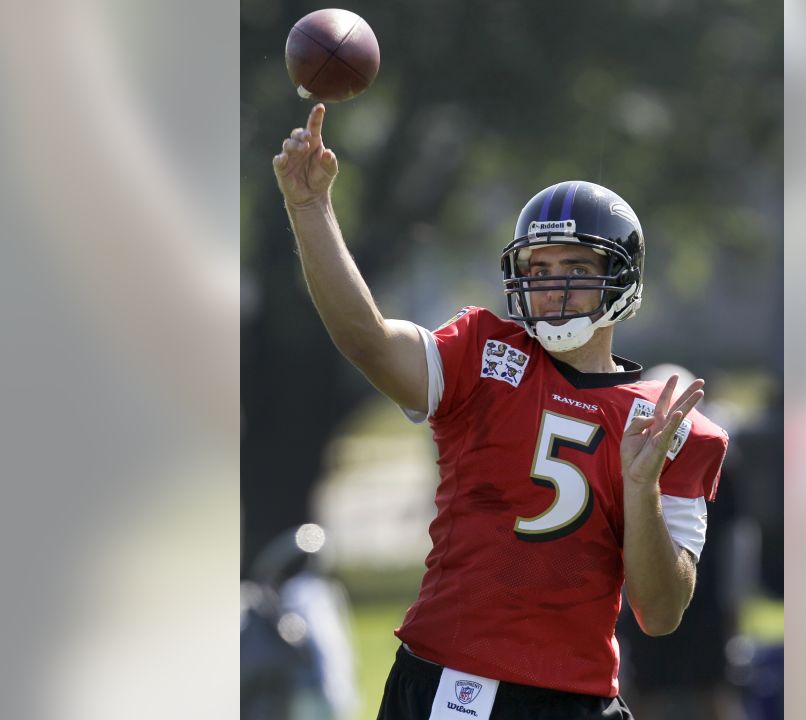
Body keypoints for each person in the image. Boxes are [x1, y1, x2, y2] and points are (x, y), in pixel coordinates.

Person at [273, 104, 729, 720]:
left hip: (575, 700)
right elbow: (368, 339)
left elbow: (661, 611)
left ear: (620, 282)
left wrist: (641, 486)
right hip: (450, 682)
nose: (553, 287)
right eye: (539, 270)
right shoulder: (484, 354)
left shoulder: (668, 424)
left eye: (576, 269)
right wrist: (311, 209)